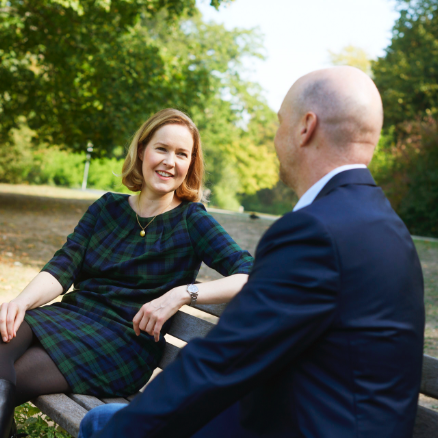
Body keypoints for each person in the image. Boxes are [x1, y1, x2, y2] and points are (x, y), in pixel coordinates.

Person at [79, 66, 425, 438]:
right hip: (327, 415)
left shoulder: (314, 231)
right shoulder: (389, 227)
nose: (275, 138)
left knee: (104, 424)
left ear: (305, 128)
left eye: (280, 123)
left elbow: (223, 360)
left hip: (300, 425)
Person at [0, 109, 253, 438]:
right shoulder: (107, 208)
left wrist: (183, 293)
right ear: (142, 151)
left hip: (122, 345)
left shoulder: (193, 220)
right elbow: (63, 266)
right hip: (69, 319)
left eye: (182, 154)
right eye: (162, 149)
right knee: (3, 334)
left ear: (191, 163)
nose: (170, 162)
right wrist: (20, 303)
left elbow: (250, 274)